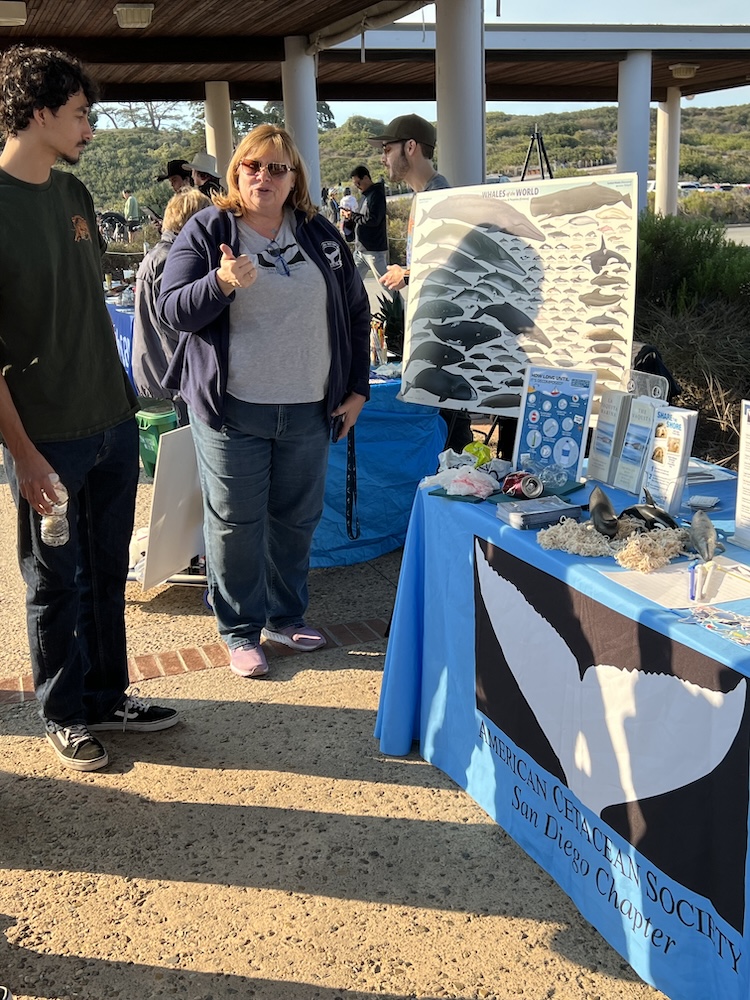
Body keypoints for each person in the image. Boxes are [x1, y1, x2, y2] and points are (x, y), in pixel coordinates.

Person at [0, 44, 179, 772]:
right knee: (55, 582)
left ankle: (108, 694)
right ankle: (62, 709)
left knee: (108, 573)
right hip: (50, 437)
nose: (91, 129)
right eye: (80, 114)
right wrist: (25, 452)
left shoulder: (73, 198)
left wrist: (123, 411)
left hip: (110, 421)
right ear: (38, 112)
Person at [158, 124, 370, 680]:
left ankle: (284, 615)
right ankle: (238, 631)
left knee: (296, 519)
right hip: (233, 410)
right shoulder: (208, 230)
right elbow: (173, 309)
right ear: (237, 173)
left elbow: (354, 313)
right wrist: (221, 283)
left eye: (277, 168)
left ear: (294, 177)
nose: (264, 176)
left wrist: (358, 388)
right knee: (234, 523)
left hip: (309, 406)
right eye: (254, 165)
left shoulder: (322, 234)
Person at [368, 114, 472, 451]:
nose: (383, 158)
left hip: (448, 339)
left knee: (451, 429)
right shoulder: (424, 197)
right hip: (438, 336)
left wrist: (408, 273)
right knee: (446, 423)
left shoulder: (439, 197)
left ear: (410, 147)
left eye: (387, 148)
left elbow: (456, 265)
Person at [132, 187, 211, 424]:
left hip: (155, 377)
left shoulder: (159, 254)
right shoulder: (173, 260)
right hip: (171, 385)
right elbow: (177, 327)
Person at [349, 165, 389, 279]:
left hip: (374, 250)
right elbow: (361, 217)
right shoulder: (364, 196)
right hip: (361, 249)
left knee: (386, 283)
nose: (357, 186)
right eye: (355, 184)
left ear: (366, 178)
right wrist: (350, 218)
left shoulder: (377, 194)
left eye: (358, 183)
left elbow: (373, 219)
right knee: (352, 283)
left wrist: (353, 216)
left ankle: (397, 298)